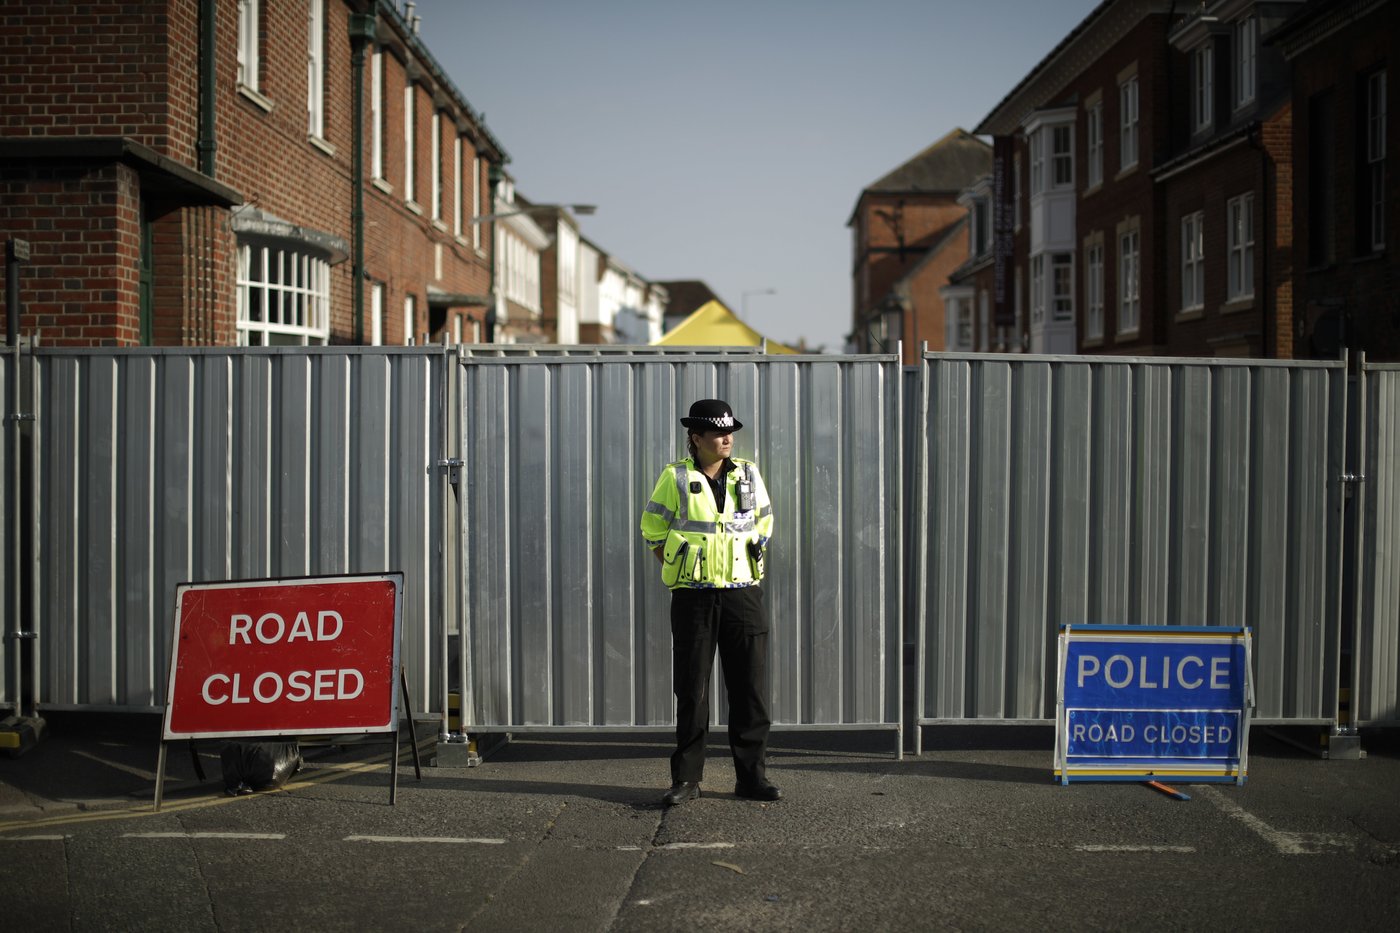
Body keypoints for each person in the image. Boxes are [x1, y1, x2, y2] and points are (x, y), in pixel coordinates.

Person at [640, 398, 781, 806]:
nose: (727, 438)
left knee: (749, 691)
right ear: (695, 437)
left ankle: (752, 778)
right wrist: (679, 566)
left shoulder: (748, 475)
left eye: (730, 431)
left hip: (742, 596)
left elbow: (764, 523)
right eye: (718, 432)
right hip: (694, 600)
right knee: (692, 691)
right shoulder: (676, 477)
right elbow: (653, 529)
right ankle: (686, 780)